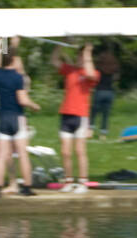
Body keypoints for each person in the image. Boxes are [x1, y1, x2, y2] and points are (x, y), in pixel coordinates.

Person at [0, 36, 40, 197]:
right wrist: (34, 105)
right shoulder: (18, 78)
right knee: (23, 153)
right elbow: (22, 100)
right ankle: (27, 187)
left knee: (1, 155)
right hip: (16, 117)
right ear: (15, 60)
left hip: (3, 118)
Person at [51, 40, 98, 194]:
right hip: (66, 115)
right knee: (65, 152)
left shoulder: (92, 74)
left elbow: (90, 72)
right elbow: (53, 61)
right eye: (79, 56)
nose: (80, 60)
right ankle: (68, 181)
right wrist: (61, 44)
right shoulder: (70, 70)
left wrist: (88, 52)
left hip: (81, 116)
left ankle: (83, 183)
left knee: (80, 151)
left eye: (82, 57)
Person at [90, 47, 120, 141]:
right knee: (105, 115)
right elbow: (116, 78)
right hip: (110, 93)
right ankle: (103, 135)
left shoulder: (98, 67)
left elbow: (94, 77)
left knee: (93, 113)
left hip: (99, 91)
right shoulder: (114, 68)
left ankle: (90, 131)